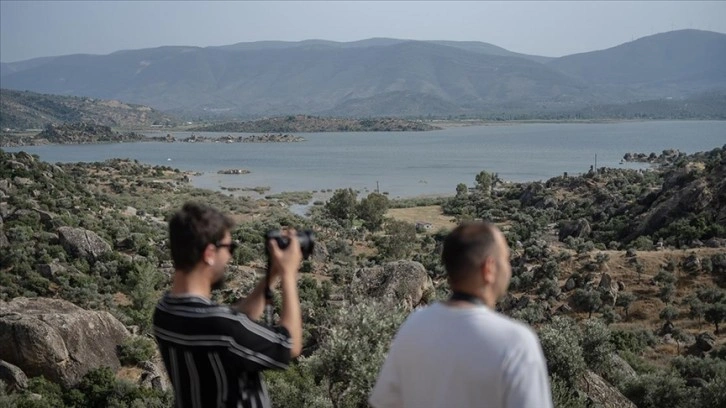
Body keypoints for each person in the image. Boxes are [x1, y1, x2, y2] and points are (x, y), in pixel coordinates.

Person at [369, 222, 552, 408]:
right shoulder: (516, 343)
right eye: (505, 259)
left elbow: (385, 402)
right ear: (489, 268)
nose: (509, 267)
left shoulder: (413, 327)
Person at [153, 202, 303, 408]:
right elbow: (291, 345)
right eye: (229, 248)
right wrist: (288, 273)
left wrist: (273, 273)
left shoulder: (164, 312)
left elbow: (237, 321)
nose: (230, 256)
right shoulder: (223, 328)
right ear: (209, 254)